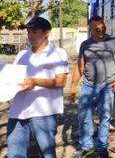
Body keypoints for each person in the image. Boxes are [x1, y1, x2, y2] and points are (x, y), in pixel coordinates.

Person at [69, 16, 115, 158]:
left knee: (105, 118)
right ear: (90, 30)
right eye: (97, 29)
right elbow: (79, 67)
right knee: (85, 117)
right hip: (88, 87)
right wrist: (73, 87)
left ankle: (102, 148)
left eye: (103, 28)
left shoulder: (114, 42)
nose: (101, 31)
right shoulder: (85, 45)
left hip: (107, 87)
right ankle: (87, 147)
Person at [7, 16, 69, 158]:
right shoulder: (22, 54)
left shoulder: (58, 53)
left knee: (46, 154)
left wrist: (35, 82)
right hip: (18, 112)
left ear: (46, 32)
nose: (30, 36)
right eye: (28, 32)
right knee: (14, 154)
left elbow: (61, 82)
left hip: (44, 113)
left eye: (34, 32)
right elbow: (15, 79)